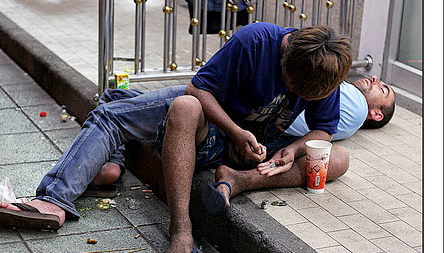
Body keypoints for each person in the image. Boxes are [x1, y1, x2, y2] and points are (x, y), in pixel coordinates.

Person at [0, 23, 352, 253]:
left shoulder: (323, 68)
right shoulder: (255, 41)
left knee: (338, 158)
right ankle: (169, 224)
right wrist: (237, 132)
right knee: (161, 108)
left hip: (251, 155)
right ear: (287, 57)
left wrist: (295, 149)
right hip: (217, 131)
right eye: (292, 86)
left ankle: (236, 182)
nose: (297, 97)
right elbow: (197, 89)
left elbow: (323, 128)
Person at [91, 75, 396, 187]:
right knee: (121, 102)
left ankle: (113, 160)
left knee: (115, 101)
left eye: (383, 89)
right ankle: (115, 158)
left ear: (376, 113)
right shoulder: (337, 88)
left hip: (259, 142)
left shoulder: (353, 103)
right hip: (252, 137)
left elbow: (310, 128)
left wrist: (293, 149)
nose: (374, 79)